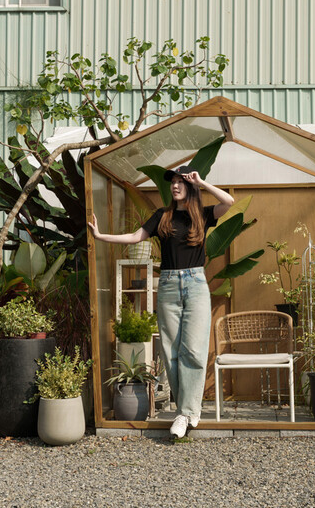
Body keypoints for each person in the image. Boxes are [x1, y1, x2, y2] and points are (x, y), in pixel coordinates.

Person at [88, 165, 235, 438]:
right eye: (173, 182)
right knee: (171, 351)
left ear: (190, 186)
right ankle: (186, 412)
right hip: (168, 285)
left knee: (193, 349)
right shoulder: (162, 216)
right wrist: (100, 236)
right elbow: (135, 237)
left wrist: (200, 180)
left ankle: (186, 413)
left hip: (195, 285)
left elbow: (228, 202)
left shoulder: (203, 215)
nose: (176, 186)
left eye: (181, 181)